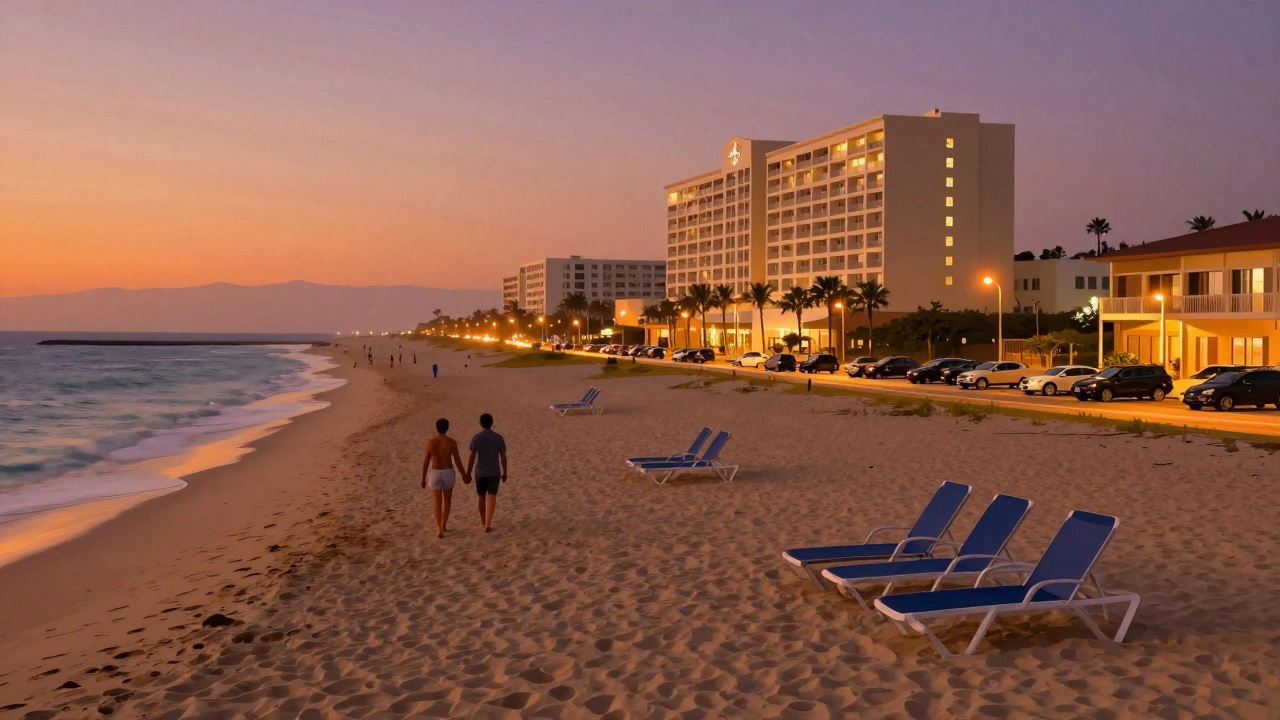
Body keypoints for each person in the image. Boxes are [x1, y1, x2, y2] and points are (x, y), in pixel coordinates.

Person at [421, 418, 467, 538]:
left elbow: (426, 462)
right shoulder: (451, 442)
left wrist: (423, 478)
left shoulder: (430, 442)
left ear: (437, 428)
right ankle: (444, 525)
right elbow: (457, 460)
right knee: (447, 501)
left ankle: (439, 529)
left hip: (435, 472)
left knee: (437, 502)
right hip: (448, 472)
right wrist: (464, 474)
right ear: (447, 428)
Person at [466, 413, 507, 533]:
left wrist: (468, 472)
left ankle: (483, 520)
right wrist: (505, 472)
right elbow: (503, 456)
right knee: (492, 496)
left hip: (481, 472)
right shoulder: (498, 438)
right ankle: (488, 524)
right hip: (494, 471)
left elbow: (472, 457)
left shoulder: (477, 438)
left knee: (481, 496)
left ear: (481, 423)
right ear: (492, 423)